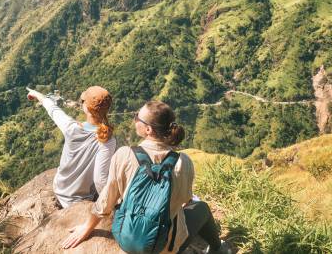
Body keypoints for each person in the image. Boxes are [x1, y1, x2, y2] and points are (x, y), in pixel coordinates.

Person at [61, 100, 230, 254]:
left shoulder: (124, 155)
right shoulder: (183, 162)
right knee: (202, 208)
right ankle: (220, 249)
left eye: (137, 117)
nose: (134, 119)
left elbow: (106, 201)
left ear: (148, 130)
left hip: (129, 242)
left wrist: (87, 228)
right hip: (166, 247)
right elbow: (185, 199)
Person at [27, 86, 117, 208]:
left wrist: (37, 94)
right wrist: (110, 204)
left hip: (60, 191)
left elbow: (53, 109)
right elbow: (100, 180)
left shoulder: (72, 128)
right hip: (82, 200)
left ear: (86, 108)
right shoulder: (108, 140)